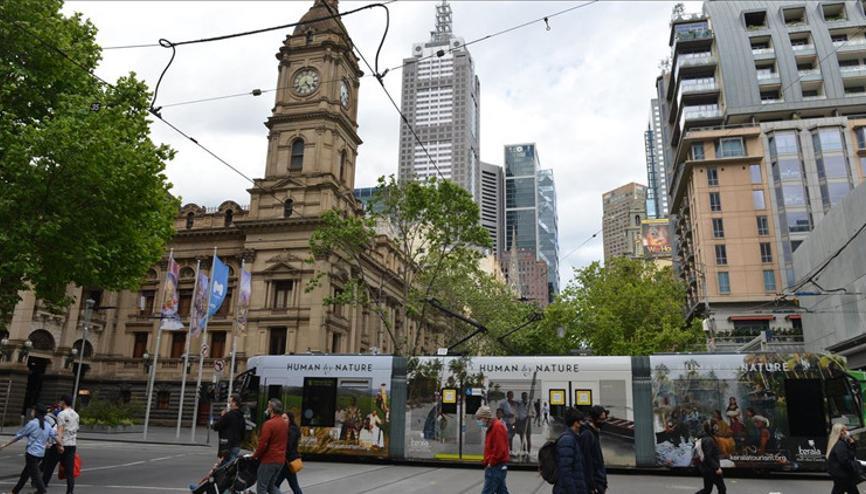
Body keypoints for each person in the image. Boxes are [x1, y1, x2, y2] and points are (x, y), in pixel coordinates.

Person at [0, 404, 56, 494]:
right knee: (25, 474)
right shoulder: (47, 425)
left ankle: (42, 491)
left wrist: (5, 445)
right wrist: (58, 444)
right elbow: (54, 436)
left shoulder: (32, 423)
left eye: (33, 410)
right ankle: (15, 491)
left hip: (32, 453)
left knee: (35, 474)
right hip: (41, 454)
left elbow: (19, 436)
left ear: (36, 412)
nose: (32, 412)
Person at [42, 394, 79, 493]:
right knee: (69, 471)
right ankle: (70, 491)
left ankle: (41, 488)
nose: (59, 403)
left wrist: (59, 444)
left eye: (60, 401)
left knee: (49, 467)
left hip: (61, 443)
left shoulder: (61, 414)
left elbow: (60, 430)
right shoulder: (76, 414)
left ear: (63, 402)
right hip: (72, 445)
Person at [251, 398, 288, 494]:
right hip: (280, 460)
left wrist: (255, 455)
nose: (267, 408)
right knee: (271, 487)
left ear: (271, 409)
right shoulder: (284, 423)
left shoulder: (269, 424)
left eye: (268, 406)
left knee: (261, 488)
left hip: (269, 460)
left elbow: (263, 444)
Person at [475, 405, 510, 494]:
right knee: (502, 491)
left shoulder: (497, 427)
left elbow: (500, 449)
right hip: (496, 466)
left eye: (479, 419)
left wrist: (491, 462)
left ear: (485, 418)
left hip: (496, 466)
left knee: (487, 491)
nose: (478, 421)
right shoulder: (492, 427)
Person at [554, 408, 588, 494]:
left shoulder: (573, 438)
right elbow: (565, 471)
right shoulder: (567, 440)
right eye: (581, 421)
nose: (583, 424)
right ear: (576, 423)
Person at [579, 405, 608, 494]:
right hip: (594, 484)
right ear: (594, 419)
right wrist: (592, 485)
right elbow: (587, 462)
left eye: (605, 418)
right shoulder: (587, 435)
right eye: (601, 419)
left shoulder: (594, 432)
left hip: (599, 481)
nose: (604, 421)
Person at [212, 393, 246, 466]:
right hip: (236, 445)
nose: (229, 404)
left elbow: (217, 426)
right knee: (231, 466)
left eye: (230, 402)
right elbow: (243, 431)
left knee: (225, 467)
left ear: (234, 403)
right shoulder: (241, 416)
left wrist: (222, 416)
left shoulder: (228, 415)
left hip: (227, 445)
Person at [826, 423, 861, 494]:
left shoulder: (839, 443)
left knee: (839, 490)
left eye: (846, 430)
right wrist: (853, 467)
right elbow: (845, 460)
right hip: (843, 475)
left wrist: (852, 443)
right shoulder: (840, 444)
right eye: (843, 430)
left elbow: (851, 455)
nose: (846, 432)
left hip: (839, 474)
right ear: (838, 432)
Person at [274, 412, 303, 494]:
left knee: (275, 485)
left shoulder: (292, 430)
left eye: (285, 418)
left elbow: (288, 445)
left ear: (290, 420)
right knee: (292, 485)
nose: (282, 420)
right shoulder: (288, 429)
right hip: (287, 462)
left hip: (288, 461)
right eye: (281, 418)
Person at [694, 421, 726, 494]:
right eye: (714, 427)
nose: (716, 429)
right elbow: (708, 456)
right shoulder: (709, 440)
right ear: (710, 429)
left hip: (706, 468)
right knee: (722, 488)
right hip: (711, 469)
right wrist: (716, 467)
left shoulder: (704, 438)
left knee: (707, 489)